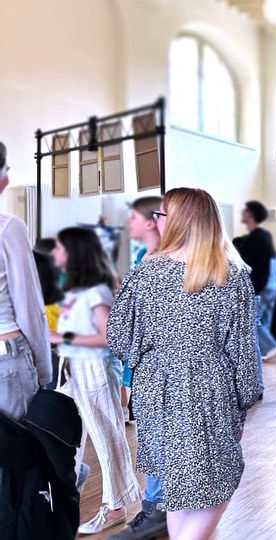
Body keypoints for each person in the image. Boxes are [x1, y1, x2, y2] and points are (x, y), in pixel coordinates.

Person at [108, 187, 260, 539]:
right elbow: (242, 350)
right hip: (209, 386)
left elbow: (118, 337)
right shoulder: (230, 275)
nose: (157, 221)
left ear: (178, 220)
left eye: (160, 214)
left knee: (175, 483)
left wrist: (150, 356)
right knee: (217, 481)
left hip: (155, 387)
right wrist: (245, 401)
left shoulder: (145, 272)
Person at [50, 227, 140, 535]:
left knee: (106, 435)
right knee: (63, 433)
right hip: (72, 368)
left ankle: (115, 506)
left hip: (94, 369)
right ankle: (67, 488)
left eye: (59, 247)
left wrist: (62, 337)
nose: (54, 253)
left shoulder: (95, 290)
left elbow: (107, 337)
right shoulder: (75, 289)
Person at [110, 195, 169, 540]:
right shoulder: (140, 258)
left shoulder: (163, 261)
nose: (127, 223)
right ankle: (156, 504)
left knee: (158, 435)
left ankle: (156, 505)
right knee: (150, 435)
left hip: (158, 361)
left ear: (150, 221)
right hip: (142, 359)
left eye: (132, 217)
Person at [0, 140, 51, 422]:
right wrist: (44, 372)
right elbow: (29, 307)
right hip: (6, 355)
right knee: (21, 444)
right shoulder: (8, 227)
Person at [234, 200, 276, 398]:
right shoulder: (260, 236)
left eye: (244, 212)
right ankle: (257, 385)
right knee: (252, 338)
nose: (242, 214)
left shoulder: (256, 238)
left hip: (252, 293)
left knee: (251, 340)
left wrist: (251, 291)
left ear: (250, 215)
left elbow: (249, 268)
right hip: (254, 292)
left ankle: (257, 386)